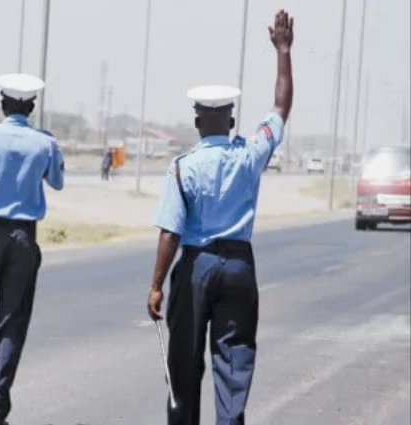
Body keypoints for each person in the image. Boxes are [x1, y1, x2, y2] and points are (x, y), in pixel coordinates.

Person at [146, 10, 294, 425]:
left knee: (184, 361)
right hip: (238, 266)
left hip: (195, 266)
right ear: (231, 121)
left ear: (197, 122)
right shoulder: (249, 154)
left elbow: (170, 233)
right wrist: (283, 51)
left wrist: (157, 285)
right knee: (234, 361)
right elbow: (281, 107)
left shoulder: (182, 166)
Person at [0, 73, 65, 425]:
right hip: (23, 237)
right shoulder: (45, 142)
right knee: (10, 322)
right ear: (32, 107)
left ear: (3, 105)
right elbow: (58, 181)